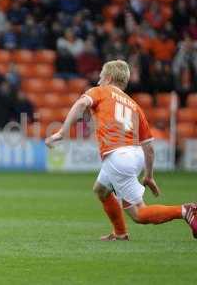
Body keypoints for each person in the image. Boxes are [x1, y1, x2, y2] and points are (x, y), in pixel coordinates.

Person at [45, 60, 197, 240]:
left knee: (139, 213)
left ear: (108, 78)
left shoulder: (101, 91)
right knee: (101, 189)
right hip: (134, 155)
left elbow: (80, 104)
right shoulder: (134, 106)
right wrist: (148, 176)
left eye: (101, 77)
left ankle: (185, 210)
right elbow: (148, 147)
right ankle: (120, 233)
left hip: (118, 157)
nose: (99, 81)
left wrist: (63, 132)